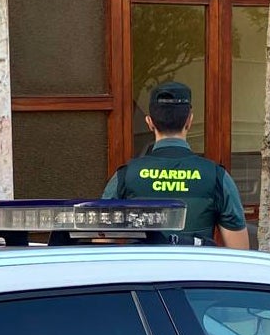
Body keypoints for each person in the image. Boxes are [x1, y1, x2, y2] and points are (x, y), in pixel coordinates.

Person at [103, 82, 250, 249]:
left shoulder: (125, 176)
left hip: (145, 274)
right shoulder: (217, 176)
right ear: (189, 121)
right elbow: (240, 252)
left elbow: (101, 244)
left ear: (150, 123)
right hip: (196, 274)